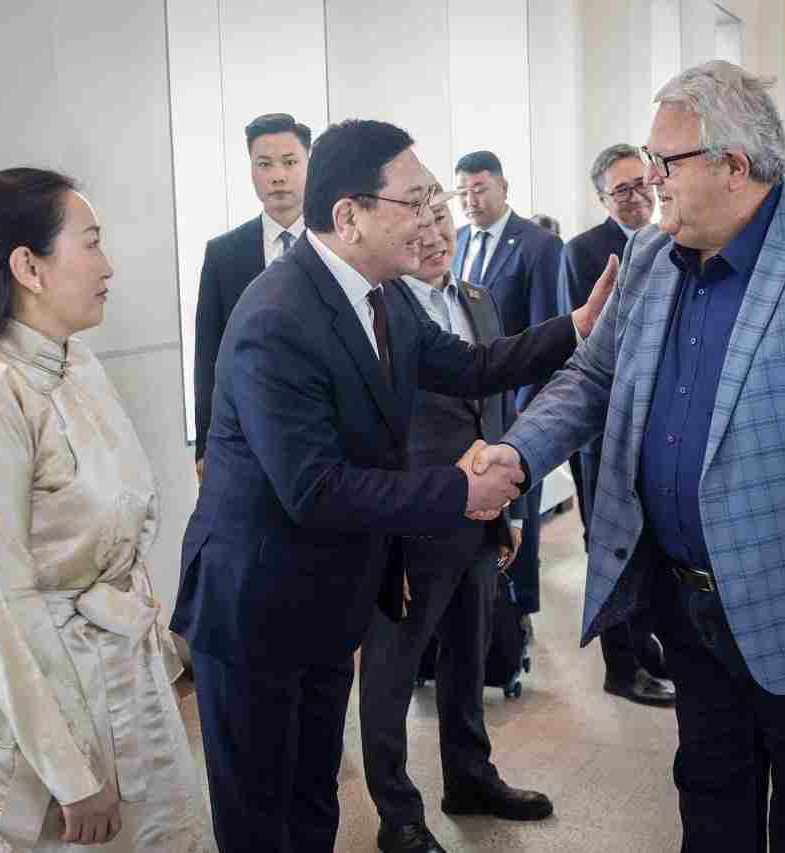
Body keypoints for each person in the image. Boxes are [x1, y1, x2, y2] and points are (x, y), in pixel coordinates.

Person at [474, 61, 785, 852]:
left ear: (733, 165)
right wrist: (516, 453)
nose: (650, 180)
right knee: (710, 800)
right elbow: (593, 377)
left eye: (663, 161)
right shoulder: (650, 258)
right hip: (685, 600)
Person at [173, 119, 613, 853]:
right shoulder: (276, 316)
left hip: (326, 596)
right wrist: (460, 492)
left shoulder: (382, 297)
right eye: (413, 202)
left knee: (313, 795)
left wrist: (576, 324)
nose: (430, 217)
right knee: (260, 813)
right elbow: (315, 488)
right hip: (257, 605)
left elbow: (471, 366)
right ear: (350, 215)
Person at [0, 168, 211, 850]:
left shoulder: (78, 365)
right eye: (90, 243)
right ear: (28, 266)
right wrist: (72, 772)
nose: (108, 265)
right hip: (31, 707)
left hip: (119, 675)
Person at [359, 182, 558, 853]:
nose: (434, 234)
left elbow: (495, 408)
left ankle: (469, 776)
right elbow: (369, 433)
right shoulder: (377, 307)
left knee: (469, 656)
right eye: (418, 222)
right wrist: (382, 542)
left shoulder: (478, 298)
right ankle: (397, 813)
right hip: (410, 519)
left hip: (479, 517)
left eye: (442, 219)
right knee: (391, 671)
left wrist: (509, 513)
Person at [558, 144, 674, 707]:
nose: (636, 197)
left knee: (650, 542)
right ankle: (621, 669)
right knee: (610, 546)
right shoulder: (583, 251)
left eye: (640, 184)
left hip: (655, 424)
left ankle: (646, 649)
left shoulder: (673, 238)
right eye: (621, 190)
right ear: (602, 198)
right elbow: (584, 345)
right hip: (604, 427)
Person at [452, 150, 565, 632]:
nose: (471, 200)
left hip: (518, 404)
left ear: (503, 187)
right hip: (468, 402)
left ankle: (518, 610)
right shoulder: (456, 241)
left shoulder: (538, 246)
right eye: (463, 191)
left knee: (519, 510)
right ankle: (485, 609)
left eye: (479, 188)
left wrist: (524, 412)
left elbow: (547, 334)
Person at [194, 112, 312, 476]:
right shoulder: (224, 254)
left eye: (289, 162)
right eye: (264, 164)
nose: (277, 175)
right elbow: (209, 355)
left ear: (308, 164)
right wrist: (205, 446)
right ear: (250, 170)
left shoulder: (340, 241)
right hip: (249, 436)